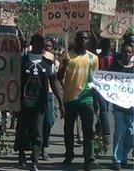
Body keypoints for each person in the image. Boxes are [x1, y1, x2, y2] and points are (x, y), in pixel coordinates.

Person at [14, 33, 65, 171]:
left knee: (37, 131)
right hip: (23, 103)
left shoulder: (48, 64)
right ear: (33, 44)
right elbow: (15, 82)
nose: (40, 46)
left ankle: (34, 161)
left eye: (41, 44)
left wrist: (60, 102)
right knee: (22, 130)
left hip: (40, 104)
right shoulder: (22, 61)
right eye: (37, 43)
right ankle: (21, 155)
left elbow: (54, 83)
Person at [58, 31, 99, 170]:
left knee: (88, 129)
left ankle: (89, 157)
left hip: (86, 98)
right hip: (70, 99)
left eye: (85, 39)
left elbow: (95, 80)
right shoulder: (68, 56)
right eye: (80, 38)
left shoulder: (93, 58)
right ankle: (69, 155)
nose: (83, 41)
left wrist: (96, 101)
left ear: (88, 41)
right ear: (75, 40)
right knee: (68, 129)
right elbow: (58, 76)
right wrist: (64, 65)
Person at [109, 44, 134, 170]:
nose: (128, 54)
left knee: (131, 133)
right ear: (122, 53)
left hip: (131, 107)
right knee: (119, 132)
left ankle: (124, 156)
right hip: (118, 105)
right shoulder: (116, 66)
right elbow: (106, 80)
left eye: (130, 52)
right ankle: (117, 159)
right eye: (125, 52)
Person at [41, 38, 61, 160]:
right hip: (36, 95)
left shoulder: (55, 62)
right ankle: (39, 149)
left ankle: (44, 145)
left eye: (49, 46)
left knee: (49, 121)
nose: (47, 48)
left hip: (49, 94)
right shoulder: (36, 58)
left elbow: (55, 80)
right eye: (45, 46)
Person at [93, 38, 113, 145]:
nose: (106, 47)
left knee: (104, 109)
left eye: (107, 44)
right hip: (98, 88)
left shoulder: (112, 58)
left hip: (109, 88)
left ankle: (100, 126)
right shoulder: (97, 58)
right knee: (103, 108)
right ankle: (107, 133)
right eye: (104, 44)